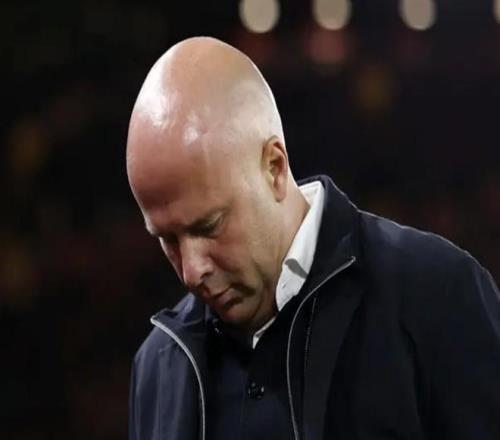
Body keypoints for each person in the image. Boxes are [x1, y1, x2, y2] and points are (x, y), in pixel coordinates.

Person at [126, 37, 500, 440]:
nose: (191, 270)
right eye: (167, 239)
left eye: (209, 225)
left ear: (274, 167)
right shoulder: (157, 368)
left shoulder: (436, 295)